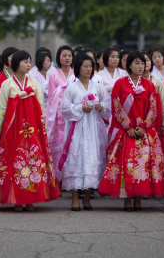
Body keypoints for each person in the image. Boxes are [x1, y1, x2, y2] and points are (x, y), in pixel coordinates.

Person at [0, 50, 61, 211]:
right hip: (13, 130)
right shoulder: (6, 84)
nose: (28, 65)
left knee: (32, 161)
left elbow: (41, 107)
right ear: (16, 64)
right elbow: (0, 108)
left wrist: (42, 128)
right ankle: (17, 200)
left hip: (32, 129)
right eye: (25, 62)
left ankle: (31, 199)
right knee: (15, 162)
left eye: (29, 62)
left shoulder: (34, 83)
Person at [98, 51, 164, 211]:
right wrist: (128, 127)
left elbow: (153, 108)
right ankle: (126, 199)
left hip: (144, 132)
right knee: (126, 167)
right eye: (137, 63)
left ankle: (139, 198)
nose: (141, 66)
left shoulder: (149, 85)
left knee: (143, 166)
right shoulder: (120, 84)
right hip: (126, 133)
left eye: (142, 63)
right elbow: (116, 106)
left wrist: (144, 127)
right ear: (129, 65)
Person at [59, 53, 110, 211]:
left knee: (92, 159)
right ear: (78, 68)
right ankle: (75, 198)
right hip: (77, 131)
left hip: (94, 130)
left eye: (90, 66)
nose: (88, 69)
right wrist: (80, 107)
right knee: (75, 159)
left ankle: (87, 198)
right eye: (85, 66)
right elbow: (64, 108)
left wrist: (101, 108)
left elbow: (107, 105)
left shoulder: (98, 87)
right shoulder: (72, 88)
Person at [47, 45, 75, 180]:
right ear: (59, 57)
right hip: (58, 115)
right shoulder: (53, 75)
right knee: (58, 144)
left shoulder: (76, 74)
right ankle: (59, 176)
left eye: (69, 55)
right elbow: (52, 97)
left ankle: (71, 176)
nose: (67, 58)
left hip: (73, 113)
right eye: (64, 55)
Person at [142, 52, 164, 138]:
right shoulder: (133, 82)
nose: (145, 63)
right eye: (141, 61)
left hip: (155, 119)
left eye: (147, 60)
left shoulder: (158, 82)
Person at [28, 51, 52, 115]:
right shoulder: (32, 75)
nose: (49, 63)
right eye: (47, 61)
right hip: (37, 105)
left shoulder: (51, 76)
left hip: (48, 106)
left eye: (50, 61)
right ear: (41, 61)